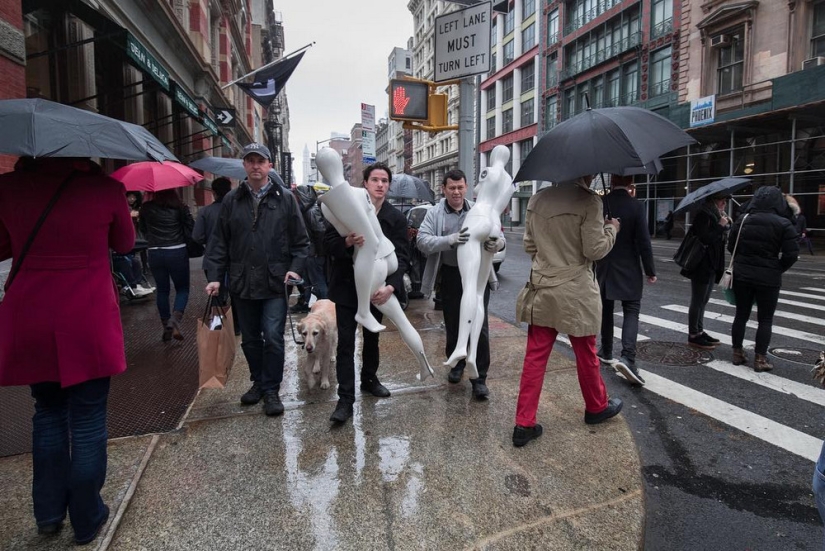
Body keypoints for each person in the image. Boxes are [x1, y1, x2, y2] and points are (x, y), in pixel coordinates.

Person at [0, 156, 134, 545]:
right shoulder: (105, 189)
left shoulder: (8, 188)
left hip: (32, 316)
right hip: (86, 316)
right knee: (89, 418)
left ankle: (48, 512)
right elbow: (124, 243)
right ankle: (87, 517)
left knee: (48, 413)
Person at [512, 175, 622, 448]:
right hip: (576, 291)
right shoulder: (590, 202)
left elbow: (529, 245)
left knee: (535, 357)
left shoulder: (537, 199)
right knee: (586, 353)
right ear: (586, 173)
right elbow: (594, 250)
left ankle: (523, 424)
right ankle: (596, 407)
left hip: (542, 287)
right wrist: (612, 229)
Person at [204, 143, 308, 416]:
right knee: (250, 338)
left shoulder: (285, 198)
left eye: (260, 161)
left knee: (273, 336)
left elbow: (301, 241)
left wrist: (295, 269)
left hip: (275, 282)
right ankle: (258, 382)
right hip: (242, 282)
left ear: (269, 165)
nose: (255, 166)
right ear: (244, 166)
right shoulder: (231, 200)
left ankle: (272, 389)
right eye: (250, 161)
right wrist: (215, 277)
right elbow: (218, 243)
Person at [324, 161, 411, 424]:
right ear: (366, 183)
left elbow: (403, 257)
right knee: (346, 345)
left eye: (385, 181)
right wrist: (346, 242)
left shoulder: (395, 218)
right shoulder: (346, 204)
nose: (380, 185)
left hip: (378, 290)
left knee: (373, 340)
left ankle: (370, 379)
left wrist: (391, 287)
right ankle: (345, 399)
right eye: (375, 180)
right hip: (347, 289)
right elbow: (326, 244)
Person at [417, 168, 504, 400]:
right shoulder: (435, 213)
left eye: (460, 187)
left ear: (466, 187)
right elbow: (422, 240)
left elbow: (499, 235)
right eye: (451, 188)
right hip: (451, 275)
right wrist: (449, 240)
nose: (456, 192)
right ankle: (458, 365)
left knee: (480, 324)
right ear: (444, 189)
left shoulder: (480, 209)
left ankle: (480, 379)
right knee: (453, 322)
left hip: (478, 277)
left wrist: (497, 244)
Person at [728, 186, 799, 371]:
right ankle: (760, 360)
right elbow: (791, 254)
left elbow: (730, 246)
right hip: (769, 277)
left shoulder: (743, 220)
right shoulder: (783, 223)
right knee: (765, 319)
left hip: (742, 275)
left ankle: (737, 353)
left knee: (741, 314)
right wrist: (777, 268)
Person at [596, 175, 655, 386]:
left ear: (611, 181)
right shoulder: (636, 206)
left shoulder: (601, 203)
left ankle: (606, 349)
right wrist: (650, 270)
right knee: (632, 309)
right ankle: (628, 357)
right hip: (629, 266)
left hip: (604, 266)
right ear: (630, 183)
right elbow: (643, 241)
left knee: (606, 309)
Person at [139, 188, 194, 341]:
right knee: (182, 288)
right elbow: (190, 227)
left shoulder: (146, 208)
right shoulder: (180, 207)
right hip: (177, 250)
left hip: (155, 251)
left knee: (162, 290)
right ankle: (174, 320)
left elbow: (143, 229)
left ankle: (166, 325)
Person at [679, 194, 730, 350]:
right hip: (701, 265)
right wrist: (720, 225)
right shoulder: (703, 215)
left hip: (712, 264)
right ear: (713, 201)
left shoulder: (716, 216)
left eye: (726, 201)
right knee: (698, 300)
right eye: (722, 200)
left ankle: (700, 331)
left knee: (704, 300)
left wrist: (725, 225)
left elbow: (718, 240)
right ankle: (693, 335)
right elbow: (705, 238)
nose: (724, 203)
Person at [193, 177, 239, 334]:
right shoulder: (236, 210)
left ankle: (217, 326)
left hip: (212, 258)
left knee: (216, 294)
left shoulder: (205, 211)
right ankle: (237, 326)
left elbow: (197, 236)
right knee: (236, 293)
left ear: (213, 193)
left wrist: (210, 240)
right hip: (235, 259)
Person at [289, 184, 329, 313]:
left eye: (296, 195)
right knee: (311, 282)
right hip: (311, 253)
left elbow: (320, 232)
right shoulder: (306, 210)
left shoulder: (311, 210)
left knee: (318, 283)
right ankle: (308, 303)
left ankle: (326, 307)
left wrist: (318, 252)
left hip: (314, 254)